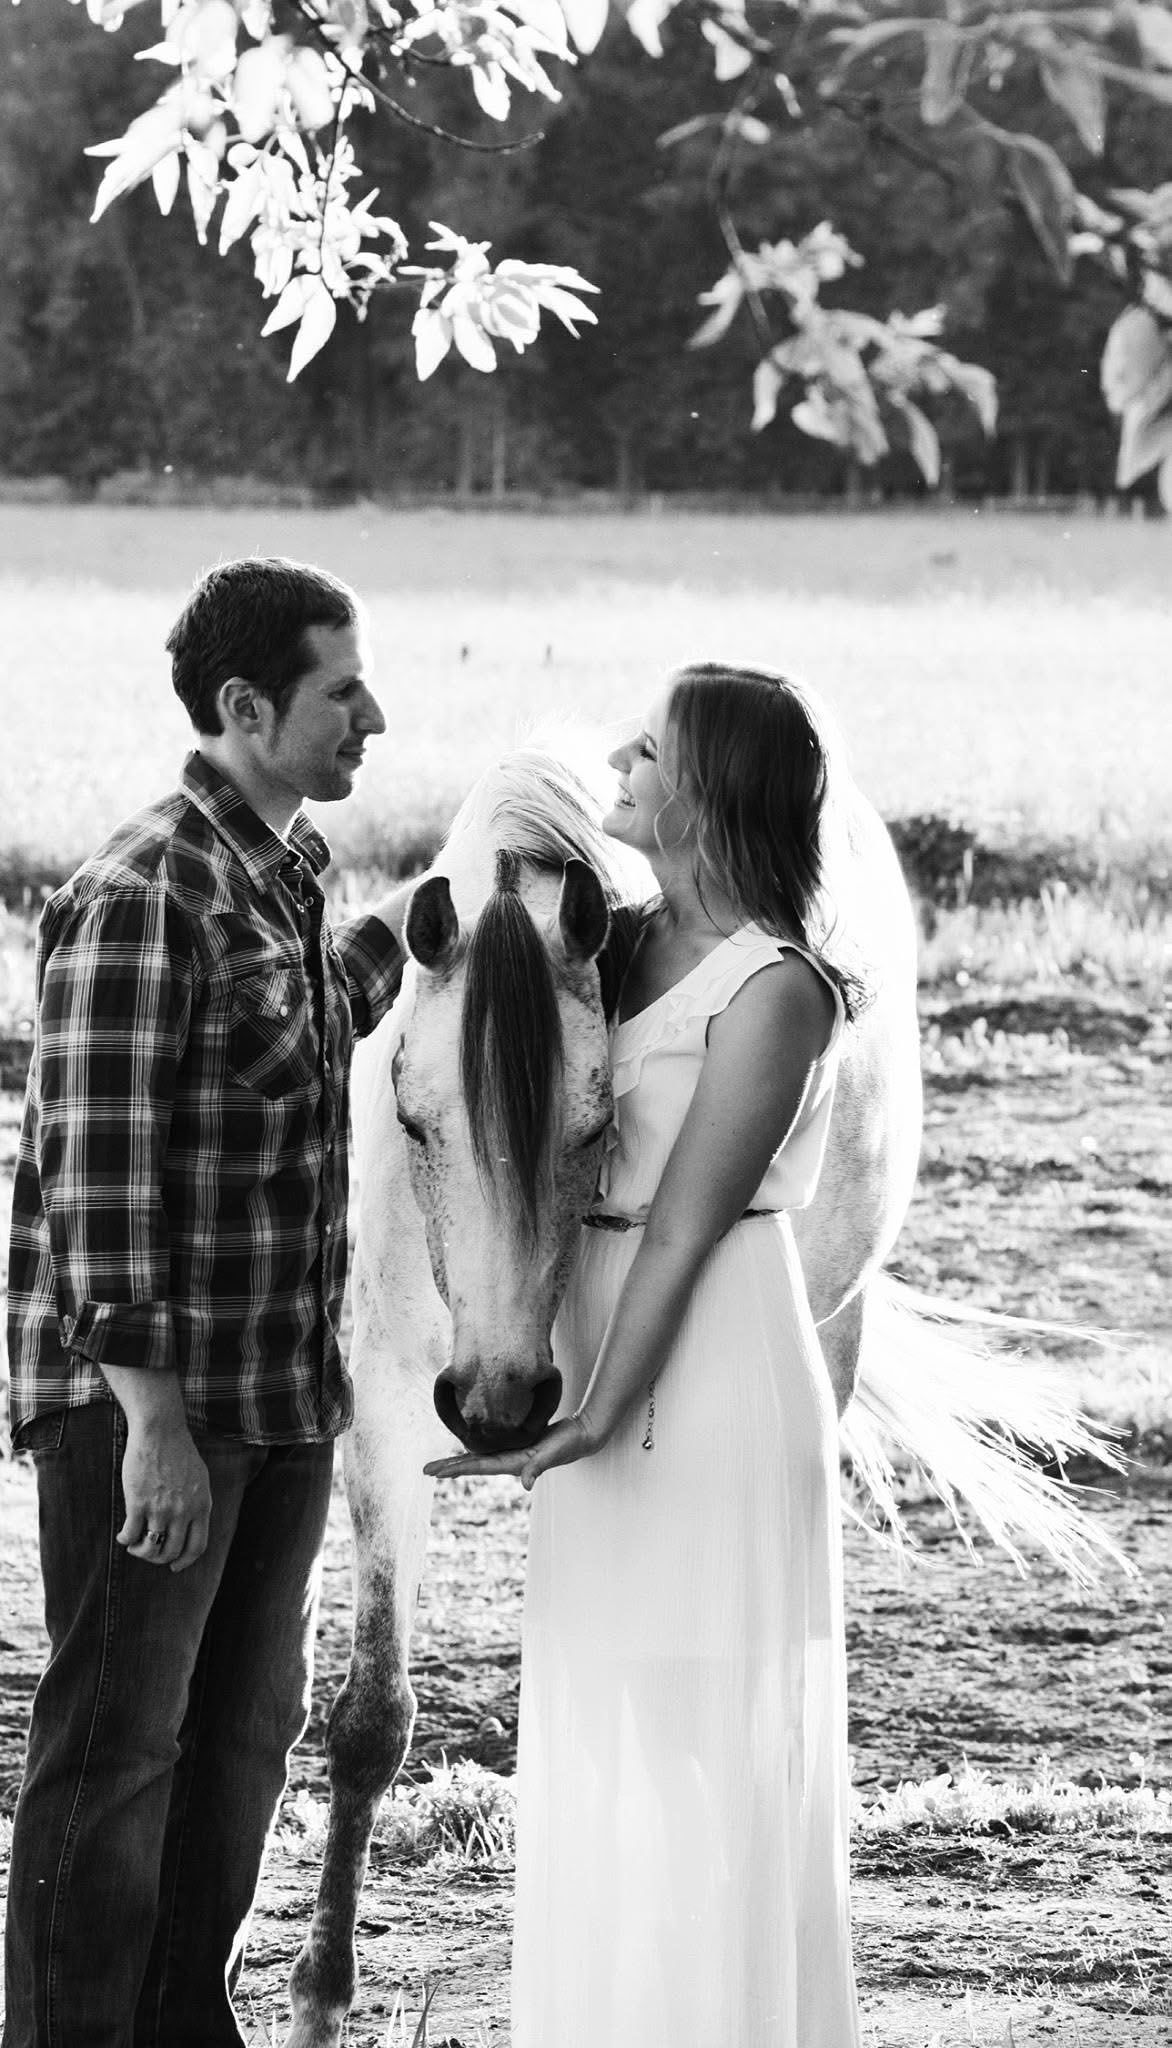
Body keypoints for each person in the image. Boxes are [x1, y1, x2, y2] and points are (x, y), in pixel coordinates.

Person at [3, 556, 416, 2048]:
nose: (375, 714)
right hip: (159, 1413)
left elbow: (305, 1027)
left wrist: (435, 916)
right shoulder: (142, 893)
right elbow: (97, 1182)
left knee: (241, 1743)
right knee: (119, 1752)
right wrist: (151, 1428)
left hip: (281, 1398)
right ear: (248, 707)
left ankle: (184, 2025)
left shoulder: (284, 879)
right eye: (341, 690)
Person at [427, 663, 863, 2046]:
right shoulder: (606, 944)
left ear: (714, 795)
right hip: (601, 1344)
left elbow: (682, 1228)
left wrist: (601, 1412)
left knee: (704, 1746)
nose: (619, 754)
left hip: (709, 1361)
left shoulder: (777, 989)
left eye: (654, 748)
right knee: (601, 1733)